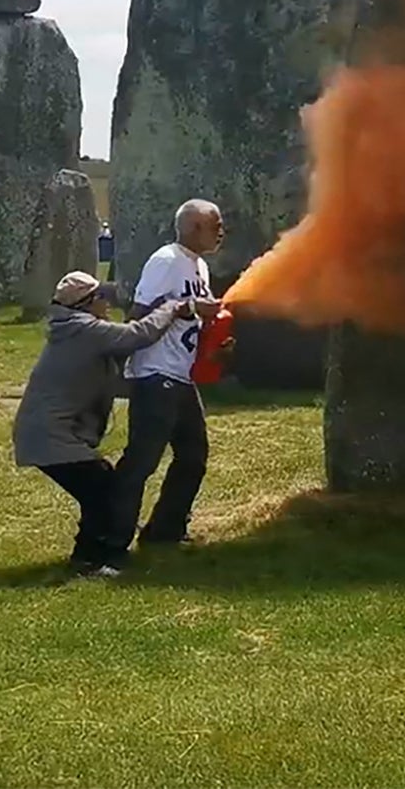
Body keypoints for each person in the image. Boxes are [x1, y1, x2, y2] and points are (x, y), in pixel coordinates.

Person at [12, 271, 219, 576]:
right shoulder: (84, 330)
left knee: (101, 488)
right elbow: (137, 335)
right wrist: (175, 306)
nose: (107, 303)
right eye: (101, 297)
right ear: (86, 303)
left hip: (45, 433)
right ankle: (92, 561)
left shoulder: (76, 331)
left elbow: (116, 381)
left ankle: (87, 557)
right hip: (50, 436)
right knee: (104, 490)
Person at [110, 198, 229, 552]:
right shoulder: (167, 261)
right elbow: (139, 314)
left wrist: (215, 347)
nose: (221, 231)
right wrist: (120, 368)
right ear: (193, 227)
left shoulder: (200, 267)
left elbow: (192, 322)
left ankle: (165, 530)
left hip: (181, 375)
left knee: (193, 455)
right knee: (142, 461)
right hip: (155, 374)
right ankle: (109, 540)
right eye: (216, 224)